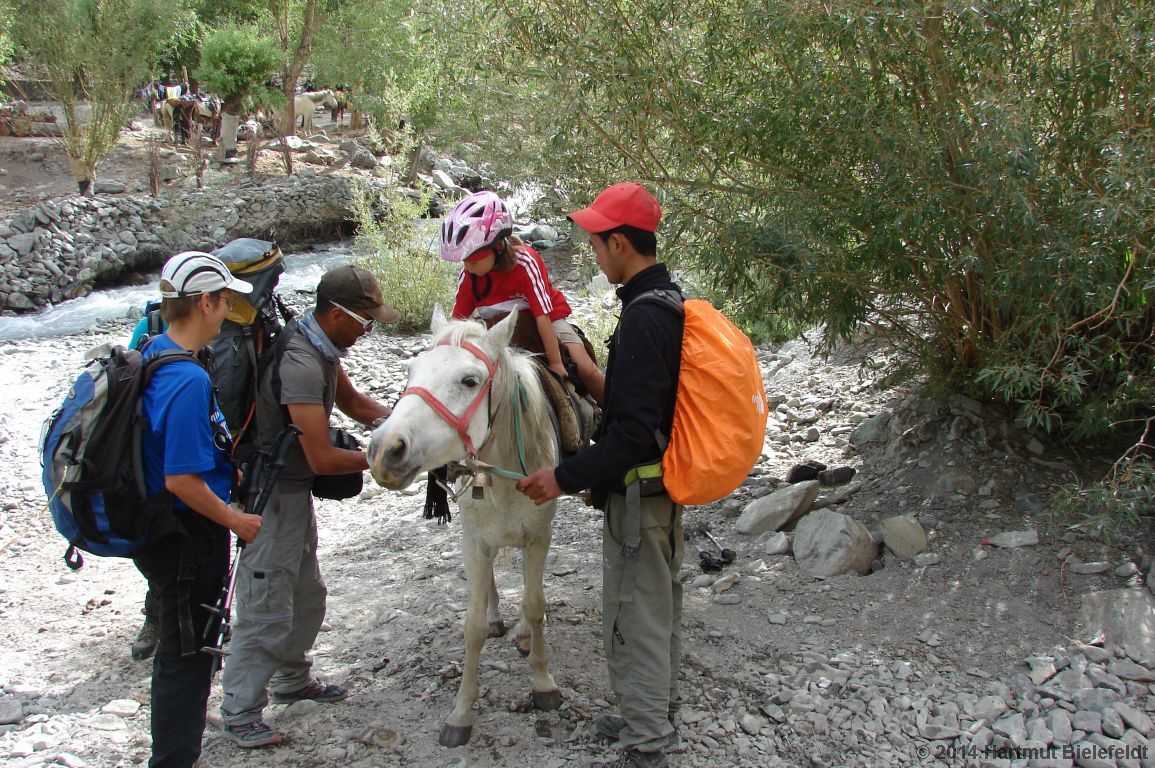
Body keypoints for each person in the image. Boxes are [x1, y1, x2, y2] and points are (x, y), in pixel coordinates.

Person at [517, 183, 684, 768]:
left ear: (619, 243)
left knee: (633, 613)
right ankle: (652, 712)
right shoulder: (667, 299)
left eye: (595, 242)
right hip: (657, 487)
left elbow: (634, 432)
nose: (593, 253)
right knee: (654, 606)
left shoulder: (643, 317)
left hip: (640, 495)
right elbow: (640, 411)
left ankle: (647, 742)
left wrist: (562, 477)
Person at [219, 265, 399, 748]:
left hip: (293, 495)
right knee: (266, 605)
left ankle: (292, 679)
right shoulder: (300, 360)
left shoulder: (321, 346)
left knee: (306, 593)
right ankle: (239, 711)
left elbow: (356, 404)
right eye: (367, 320)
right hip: (270, 499)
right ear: (338, 314)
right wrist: (390, 461)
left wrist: (413, 420)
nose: (370, 329)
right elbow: (320, 456)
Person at [134, 251, 264, 768]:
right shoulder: (186, 380)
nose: (229, 309)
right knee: (186, 659)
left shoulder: (150, 352)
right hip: (188, 536)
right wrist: (236, 518)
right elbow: (181, 478)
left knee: (179, 648)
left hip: (157, 529)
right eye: (226, 300)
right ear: (204, 301)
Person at [441, 190, 605, 404]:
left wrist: (555, 362)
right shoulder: (469, 276)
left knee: (585, 367)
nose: (467, 268)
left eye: (473, 261)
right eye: (464, 261)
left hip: (545, 317)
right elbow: (457, 323)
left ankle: (613, 415)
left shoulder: (524, 262)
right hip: (499, 329)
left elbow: (542, 317)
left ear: (498, 247)